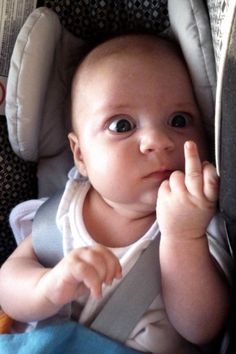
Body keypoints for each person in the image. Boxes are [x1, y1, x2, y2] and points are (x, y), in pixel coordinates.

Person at [0, 34, 232, 353]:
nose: (158, 140)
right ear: (80, 155)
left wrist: (183, 236)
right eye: (122, 125)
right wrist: (46, 289)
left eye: (179, 121)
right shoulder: (58, 217)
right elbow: (7, 284)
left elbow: (202, 328)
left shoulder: (198, 222)